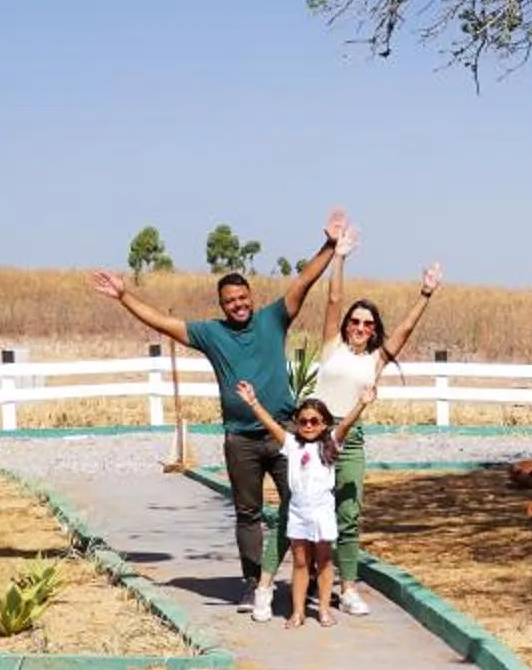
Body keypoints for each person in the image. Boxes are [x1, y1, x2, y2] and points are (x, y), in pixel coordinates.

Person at [87, 210, 348, 620]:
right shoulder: (211, 333)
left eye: (242, 298)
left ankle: (309, 577)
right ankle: (253, 583)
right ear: (222, 305)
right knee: (248, 513)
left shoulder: (273, 319)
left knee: (300, 503)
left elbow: (303, 282)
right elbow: (164, 323)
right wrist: (124, 297)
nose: (238, 305)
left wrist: (329, 246)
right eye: (230, 301)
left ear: (251, 297)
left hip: (284, 435)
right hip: (240, 439)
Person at [316, 244, 444, 614]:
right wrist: (339, 256)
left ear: (374, 331)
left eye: (368, 324)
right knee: (309, 511)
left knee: (348, 515)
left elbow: (405, 329)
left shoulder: (376, 359)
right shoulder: (331, 346)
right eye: (355, 321)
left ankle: (347, 588)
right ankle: (301, 582)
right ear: (346, 325)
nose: (360, 327)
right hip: (315, 433)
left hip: (350, 439)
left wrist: (425, 294)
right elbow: (333, 299)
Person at [235, 380, 373, 628]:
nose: (308, 426)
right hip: (298, 513)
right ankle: (298, 612)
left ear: (324, 424)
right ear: (296, 423)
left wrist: (361, 404)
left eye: (314, 421)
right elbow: (271, 425)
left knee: (324, 561)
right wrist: (253, 403)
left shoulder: (331, 444)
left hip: (322, 513)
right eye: (303, 421)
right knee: (300, 562)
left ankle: (323, 610)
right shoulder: (292, 445)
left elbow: (345, 424)